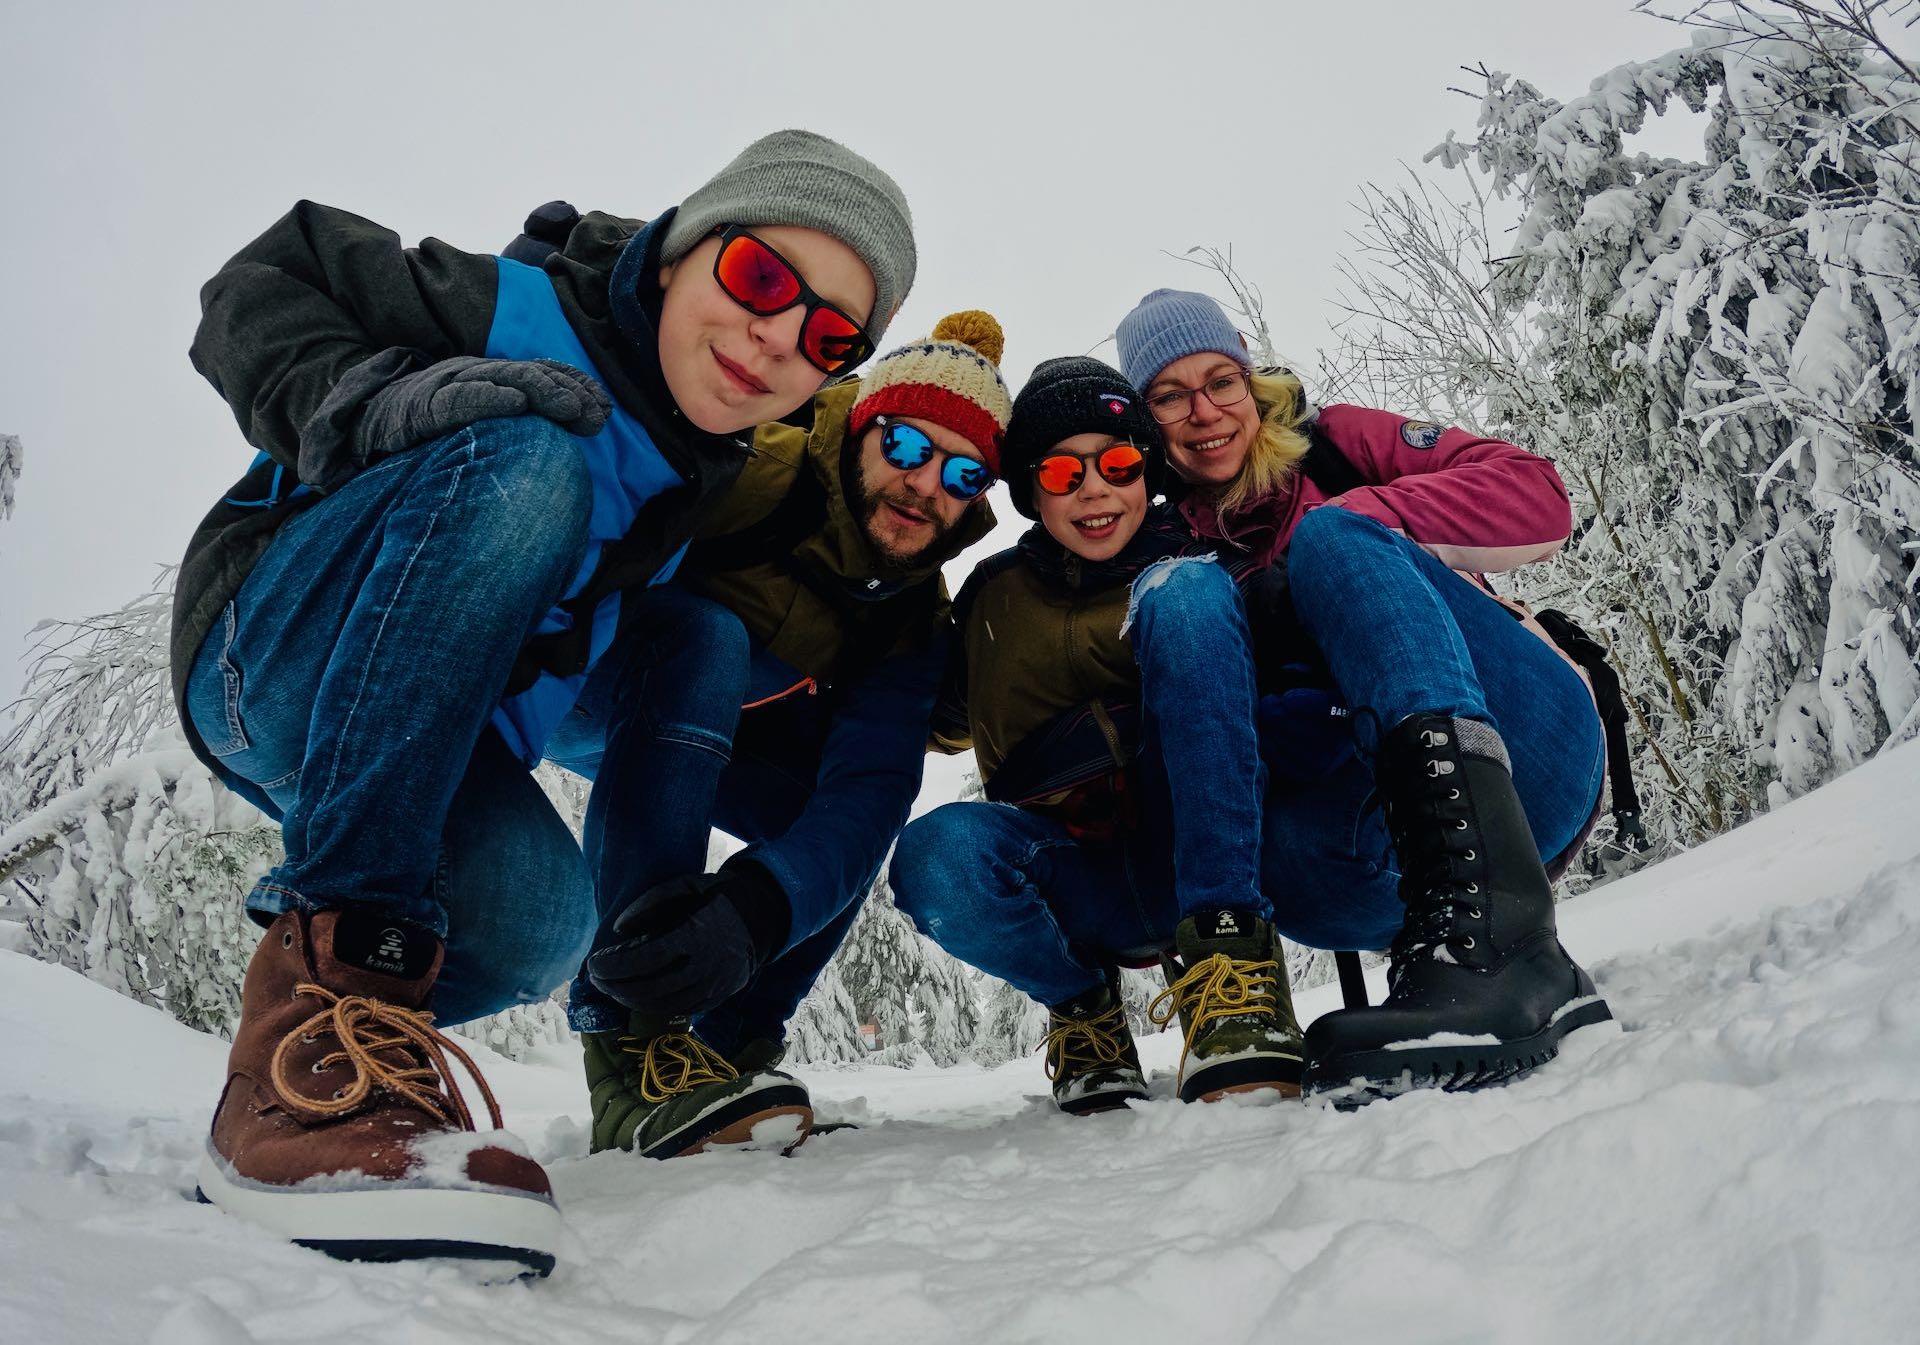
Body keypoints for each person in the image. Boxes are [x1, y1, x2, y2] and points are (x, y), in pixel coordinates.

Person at [174, 129, 914, 1273]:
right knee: (533, 457)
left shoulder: (698, 470)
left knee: (545, 920)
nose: (777, 337)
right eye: (761, 276)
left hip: (422, 736)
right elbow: (266, 275)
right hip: (266, 654)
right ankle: (332, 986)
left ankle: (333, 1053)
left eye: (829, 338)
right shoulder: (521, 308)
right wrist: (365, 404)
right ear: (681, 248)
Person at [1114, 288, 1614, 1102]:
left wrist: (1361, 521)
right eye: (1169, 396)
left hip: (1530, 758)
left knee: (1331, 538)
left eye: (1221, 381)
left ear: (1249, 378)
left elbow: (1537, 496)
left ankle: (1508, 938)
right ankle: (1439, 961)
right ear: (1146, 421)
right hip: (1359, 858)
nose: (1204, 412)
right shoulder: (1165, 548)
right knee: (1190, 614)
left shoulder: (1336, 445)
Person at [557, 312, 1009, 1159]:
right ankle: (633, 1044)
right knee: (706, 637)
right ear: (862, 426)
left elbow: (871, 786)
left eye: (962, 472)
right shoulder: (759, 470)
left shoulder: (910, 614)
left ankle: (728, 1046)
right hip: (582, 682)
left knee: (833, 826)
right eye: (907, 447)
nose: (925, 485)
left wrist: (757, 911)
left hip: (709, 734)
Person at [890, 357, 1306, 1115]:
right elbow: (927, 716)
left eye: (1118, 465)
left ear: (1146, 471)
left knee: (1184, 593)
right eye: (1061, 472)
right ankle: (1083, 1008)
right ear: (1031, 491)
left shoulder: (1209, 563)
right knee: (935, 856)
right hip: (1068, 870)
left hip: (1200, 847)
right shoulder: (993, 598)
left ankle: (1233, 965)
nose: (1094, 489)